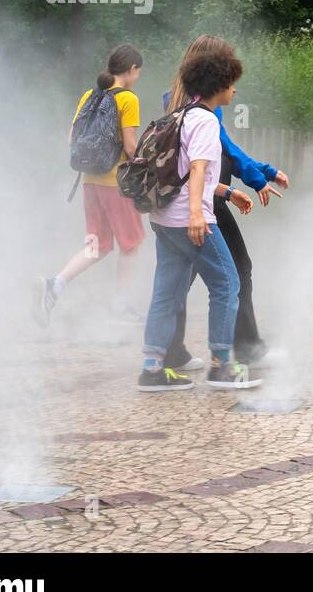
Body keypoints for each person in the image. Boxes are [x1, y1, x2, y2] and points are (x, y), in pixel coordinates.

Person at [159, 35, 289, 371]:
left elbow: (227, 149)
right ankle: (242, 350)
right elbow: (228, 151)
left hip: (189, 200)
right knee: (237, 272)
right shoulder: (204, 110)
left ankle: (168, 355)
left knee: (179, 279)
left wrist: (264, 171)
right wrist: (259, 177)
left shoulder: (175, 100)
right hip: (204, 202)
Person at [138, 46, 261, 391]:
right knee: (227, 283)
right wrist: (197, 214)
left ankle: (152, 368)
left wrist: (226, 192)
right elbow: (196, 169)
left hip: (163, 219)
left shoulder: (181, 115)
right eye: (231, 83)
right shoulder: (206, 120)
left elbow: (185, 173)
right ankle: (222, 366)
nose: (234, 90)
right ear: (218, 84)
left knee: (167, 292)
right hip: (189, 220)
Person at [35, 44, 145, 326]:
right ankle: (120, 307)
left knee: (98, 245)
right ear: (132, 69)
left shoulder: (90, 94)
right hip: (117, 183)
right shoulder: (128, 99)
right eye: (138, 72)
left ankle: (55, 285)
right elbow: (132, 147)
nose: (138, 77)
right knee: (131, 244)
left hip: (89, 181)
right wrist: (149, 165)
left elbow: (72, 138)